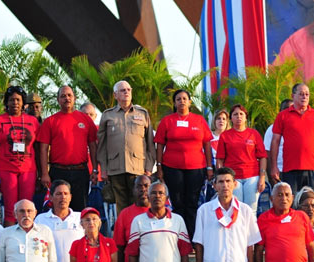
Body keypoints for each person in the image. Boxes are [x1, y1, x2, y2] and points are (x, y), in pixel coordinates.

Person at [154, 89, 213, 237]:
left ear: (190, 102)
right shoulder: (167, 121)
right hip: (172, 168)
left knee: (192, 202)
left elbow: (207, 144)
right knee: (178, 202)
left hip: (196, 168)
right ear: (174, 103)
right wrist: (159, 166)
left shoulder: (199, 120)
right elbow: (160, 144)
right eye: (178, 99)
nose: (182, 101)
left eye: (185, 98)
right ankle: (179, 235)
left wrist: (209, 166)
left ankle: (192, 236)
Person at [97, 80, 155, 214]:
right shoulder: (107, 115)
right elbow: (102, 145)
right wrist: (104, 170)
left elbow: (150, 143)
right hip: (115, 169)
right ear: (115, 95)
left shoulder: (142, 113)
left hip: (138, 168)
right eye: (123, 90)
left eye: (128, 90)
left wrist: (148, 168)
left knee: (140, 205)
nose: (126, 92)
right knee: (121, 208)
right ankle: (124, 234)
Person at [38, 86, 97, 212]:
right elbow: (43, 149)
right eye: (63, 96)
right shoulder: (50, 121)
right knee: (58, 208)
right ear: (58, 100)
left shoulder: (85, 119)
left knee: (80, 210)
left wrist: (95, 170)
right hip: (58, 171)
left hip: (80, 172)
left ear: (74, 98)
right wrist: (44, 173)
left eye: (69, 95)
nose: (67, 98)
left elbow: (93, 146)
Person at [270, 83, 314, 194]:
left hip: (313, 169)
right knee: (292, 204)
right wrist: (274, 166)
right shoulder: (283, 116)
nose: (304, 97)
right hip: (290, 168)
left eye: (307, 94)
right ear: (293, 96)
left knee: (312, 203)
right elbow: (275, 141)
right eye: (301, 94)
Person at [0, 85, 40, 226]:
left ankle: (28, 239)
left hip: (28, 169)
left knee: (27, 207)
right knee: (11, 208)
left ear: (23, 102)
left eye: (18, 100)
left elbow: (38, 148)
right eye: (12, 100)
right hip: (6, 168)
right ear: (6, 102)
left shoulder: (32, 121)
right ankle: (10, 241)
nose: (15, 103)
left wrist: (43, 172)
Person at [193, 167, 262, 262]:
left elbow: (250, 245)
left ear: (235, 184)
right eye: (221, 182)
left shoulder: (245, 210)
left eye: (228, 181)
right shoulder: (204, 211)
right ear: (214, 185)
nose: (225, 185)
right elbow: (199, 244)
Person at [217, 104, 267, 213]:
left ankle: (250, 231)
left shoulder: (254, 134)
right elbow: (220, 159)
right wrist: (220, 177)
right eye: (235, 114)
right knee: (235, 209)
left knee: (250, 211)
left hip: (252, 177)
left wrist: (262, 178)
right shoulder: (225, 135)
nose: (238, 117)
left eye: (241, 114)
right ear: (231, 118)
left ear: (245, 117)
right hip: (233, 178)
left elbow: (263, 157)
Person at [125, 181, 192, 262]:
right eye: (153, 193)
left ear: (167, 198)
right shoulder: (138, 221)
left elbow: (184, 252)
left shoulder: (178, 220)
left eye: (161, 193)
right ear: (148, 197)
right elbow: (132, 253)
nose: (157, 196)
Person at [255, 182, 314, 262]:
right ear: (271, 199)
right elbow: (258, 250)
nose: (284, 198)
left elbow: (311, 247)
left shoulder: (302, 216)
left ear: (292, 198)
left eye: (287, 195)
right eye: (280, 195)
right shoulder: (264, 219)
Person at [34, 180, 83, 262]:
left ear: (70, 197)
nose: (63, 197)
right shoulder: (41, 219)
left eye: (66, 194)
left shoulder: (80, 217)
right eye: (58, 194)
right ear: (50, 197)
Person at [113, 175, 151, 262]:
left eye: (146, 186)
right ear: (133, 190)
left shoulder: (161, 213)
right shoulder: (124, 214)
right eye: (139, 186)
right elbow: (119, 247)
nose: (143, 189)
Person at [264, 99, 293, 183]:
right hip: (279, 172)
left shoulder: (301, 128)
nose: (289, 111)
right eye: (286, 108)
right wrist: (271, 176)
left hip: (295, 171)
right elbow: (267, 154)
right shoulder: (271, 129)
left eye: (292, 108)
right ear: (280, 111)